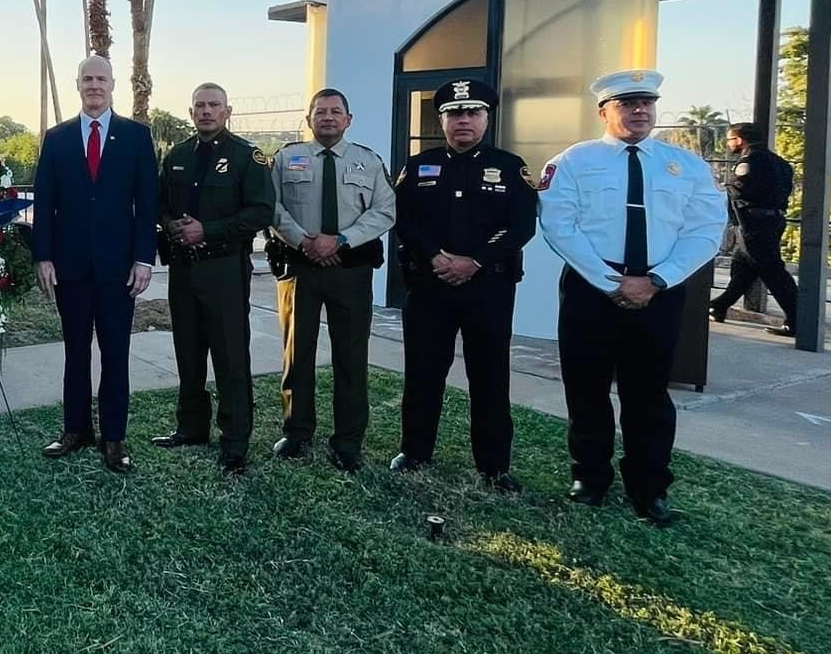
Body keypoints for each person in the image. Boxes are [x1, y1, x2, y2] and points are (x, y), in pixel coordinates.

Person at [539, 69, 728, 527]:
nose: (639, 110)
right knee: (586, 390)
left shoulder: (685, 167)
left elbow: (706, 230)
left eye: (646, 102)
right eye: (627, 104)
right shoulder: (573, 162)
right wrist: (610, 282)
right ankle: (590, 478)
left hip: (659, 294)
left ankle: (649, 487)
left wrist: (659, 279)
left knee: (649, 395)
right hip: (592, 290)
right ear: (604, 111)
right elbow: (560, 225)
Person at [389, 78, 538, 490]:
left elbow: (521, 225)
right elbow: (404, 219)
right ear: (442, 120)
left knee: (490, 376)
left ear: (487, 118)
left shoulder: (510, 167)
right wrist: (437, 256)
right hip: (430, 285)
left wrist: (475, 260)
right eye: (454, 113)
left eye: (472, 112)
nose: (463, 121)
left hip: (487, 288)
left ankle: (493, 465)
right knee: (422, 373)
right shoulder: (418, 166)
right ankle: (415, 451)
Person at [31, 55, 160, 474]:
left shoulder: (137, 137)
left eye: (101, 78)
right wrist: (43, 256)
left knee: (116, 354)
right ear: (78, 84)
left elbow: (147, 205)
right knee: (74, 353)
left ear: (112, 84)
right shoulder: (57, 138)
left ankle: (115, 438)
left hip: (118, 269)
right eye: (87, 78)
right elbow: (45, 202)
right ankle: (75, 430)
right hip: (69, 268)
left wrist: (144, 258)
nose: (94, 85)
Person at [268, 87, 396, 471]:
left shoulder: (368, 162)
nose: (327, 117)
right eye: (320, 111)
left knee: (351, 356)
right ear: (308, 120)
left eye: (335, 111)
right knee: (297, 354)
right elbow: (270, 206)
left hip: (350, 271)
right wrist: (304, 241)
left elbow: (385, 210)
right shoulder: (286, 158)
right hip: (300, 269)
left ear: (348, 119)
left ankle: (348, 440)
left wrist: (340, 239)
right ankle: (297, 431)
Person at [151, 83, 275, 473]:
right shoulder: (178, 155)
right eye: (200, 106)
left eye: (214, 105)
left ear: (227, 110)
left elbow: (261, 212)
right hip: (184, 269)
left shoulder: (246, 157)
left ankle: (235, 443)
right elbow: (161, 204)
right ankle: (191, 428)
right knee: (188, 353)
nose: (206, 112)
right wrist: (171, 225)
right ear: (191, 113)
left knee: (230, 357)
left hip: (224, 269)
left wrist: (209, 230)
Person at [709, 120, 799, 337]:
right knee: (743, 268)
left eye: (730, 139)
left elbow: (739, 190)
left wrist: (719, 186)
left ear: (740, 140)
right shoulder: (780, 162)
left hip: (754, 224)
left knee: (772, 271)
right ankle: (719, 306)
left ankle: (799, 318)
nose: (729, 144)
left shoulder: (750, 161)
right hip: (772, 220)